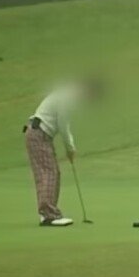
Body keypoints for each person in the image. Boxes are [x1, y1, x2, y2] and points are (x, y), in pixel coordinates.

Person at [24, 78, 102, 226]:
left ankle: (47, 214)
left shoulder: (66, 93)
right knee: (49, 173)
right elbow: (63, 125)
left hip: (37, 133)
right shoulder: (68, 97)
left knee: (50, 172)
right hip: (39, 134)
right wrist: (70, 148)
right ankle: (49, 215)